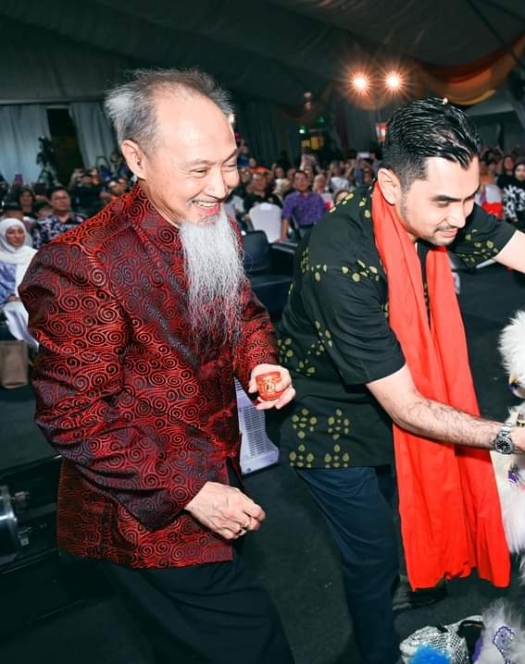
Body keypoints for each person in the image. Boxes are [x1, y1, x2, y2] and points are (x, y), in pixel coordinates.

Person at [273, 97, 525, 663]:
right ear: (390, 186)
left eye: (468, 198)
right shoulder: (339, 258)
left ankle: (405, 584)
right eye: (444, 201)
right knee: (372, 555)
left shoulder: (442, 213)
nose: (460, 218)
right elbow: (408, 406)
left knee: (398, 520)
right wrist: (517, 441)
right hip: (328, 424)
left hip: (391, 395)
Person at [20, 69, 295, 664]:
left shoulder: (207, 216)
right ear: (136, 159)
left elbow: (241, 311)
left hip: (217, 478)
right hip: (145, 516)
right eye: (199, 170)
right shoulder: (78, 263)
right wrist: (190, 491)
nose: (221, 187)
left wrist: (259, 365)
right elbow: (72, 416)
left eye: (229, 163)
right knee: (256, 645)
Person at [0, 217, 38, 349]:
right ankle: (41, 349)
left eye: (20, 232)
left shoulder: (34, 255)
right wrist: (8, 297)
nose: (17, 236)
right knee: (20, 310)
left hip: (35, 299)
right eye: (11, 232)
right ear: (3, 235)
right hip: (8, 302)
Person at [279, 168, 327, 243]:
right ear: (294, 184)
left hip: (322, 227)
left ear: (308, 182)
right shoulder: (290, 199)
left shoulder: (317, 197)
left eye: (304, 179)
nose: (302, 182)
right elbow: (286, 218)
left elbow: (325, 214)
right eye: (298, 179)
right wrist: (283, 237)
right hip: (305, 230)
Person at [500, 160, 525, 226]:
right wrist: (517, 222)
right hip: (514, 220)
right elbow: (509, 209)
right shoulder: (508, 187)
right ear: (514, 172)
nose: (521, 173)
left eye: (524, 171)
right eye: (518, 170)